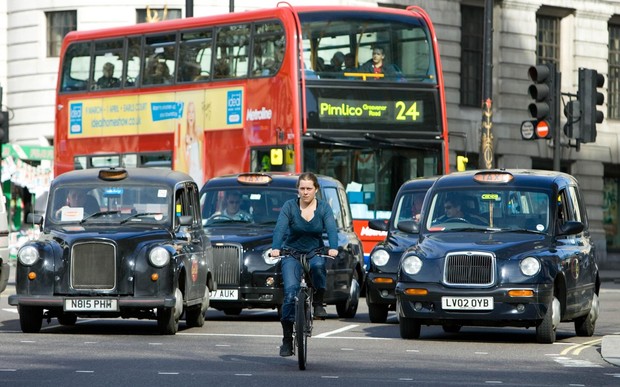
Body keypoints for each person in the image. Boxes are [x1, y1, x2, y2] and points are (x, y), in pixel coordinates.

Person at [271, 172, 339, 357]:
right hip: (291, 253)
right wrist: (276, 247)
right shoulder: (289, 206)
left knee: (318, 268)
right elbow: (280, 228)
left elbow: (331, 228)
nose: (306, 192)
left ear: (316, 189)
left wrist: (333, 247)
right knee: (290, 293)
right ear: (298, 190)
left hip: (314, 252)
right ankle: (286, 340)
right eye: (302, 188)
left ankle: (318, 302)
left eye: (309, 188)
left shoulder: (324, 208)